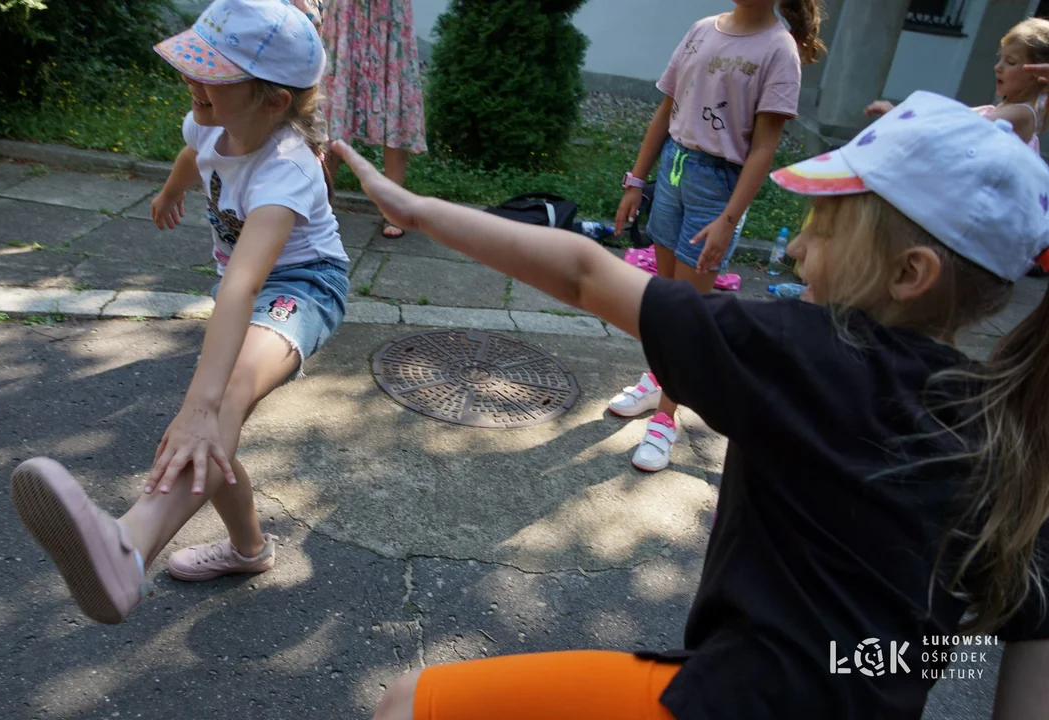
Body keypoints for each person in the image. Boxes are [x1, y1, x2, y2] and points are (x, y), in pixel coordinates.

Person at [333, 90, 1049, 719]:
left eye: (824, 230)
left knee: (409, 705)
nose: (797, 246)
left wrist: (418, 209)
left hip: (731, 699)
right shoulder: (1012, 433)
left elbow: (587, 275)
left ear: (909, 273)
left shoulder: (809, 354)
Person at [8, 0, 350, 625]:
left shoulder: (288, 169)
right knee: (217, 432)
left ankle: (129, 546)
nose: (193, 81)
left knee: (215, 407)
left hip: (302, 287)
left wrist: (197, 407)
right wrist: (170, 191)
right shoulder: (210, 120)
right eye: (193, 65)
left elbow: (244, 283)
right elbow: (196, 154)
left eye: (212, 74)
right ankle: (250, 549)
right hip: (244, 290)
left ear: (273, 101)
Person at [609, 0, 825, 473]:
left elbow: (765, 147)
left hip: (719, 187)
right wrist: (636, 181)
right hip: (673, 170)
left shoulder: (779, 49)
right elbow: (666, 111)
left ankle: (666, 417)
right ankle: (660, 380)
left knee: (688, 312)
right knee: (664, 300)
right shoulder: (701, 29)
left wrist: (729, 220)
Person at [321, 0, 427, 239]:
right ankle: (322, 204)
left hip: (389, 10)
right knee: (335, 107)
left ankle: (393, 208)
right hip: (344, 9)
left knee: (394, 92)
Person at [866, 17, 1049, 150]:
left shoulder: (1021, 113)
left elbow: (956, 130)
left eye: (1010, 62)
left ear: (1037, 72)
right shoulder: (1004, 108)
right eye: (1000, 59)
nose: (997, 68)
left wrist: (898, 115)